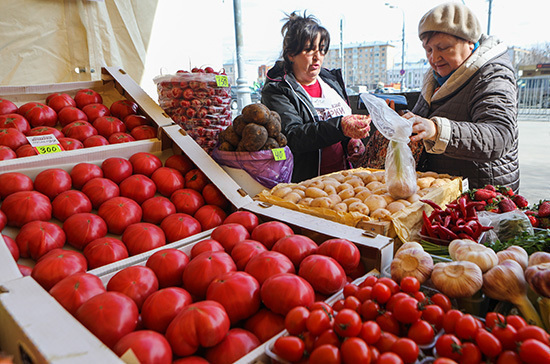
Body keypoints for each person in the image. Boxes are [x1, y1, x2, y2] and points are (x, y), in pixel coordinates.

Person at [404, 2, 520, 192]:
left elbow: (499, 135)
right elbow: (425, 120)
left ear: (469, 42)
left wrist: (436, 130)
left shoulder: (492, 75)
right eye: (429, 50)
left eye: (443, 48)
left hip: (482, 195)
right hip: (446, 191)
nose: (434, 58)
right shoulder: (434, 78)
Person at [261, 11, 371, 183]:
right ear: (291, 54)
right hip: (306, 184)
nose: (317, 57)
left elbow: (337, 128)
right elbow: (293, 136)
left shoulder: (330, 81)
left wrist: (350, 141)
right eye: (309, 50)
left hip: (342, 179)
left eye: (321, 50)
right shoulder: (278, 90)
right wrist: (340, 127)